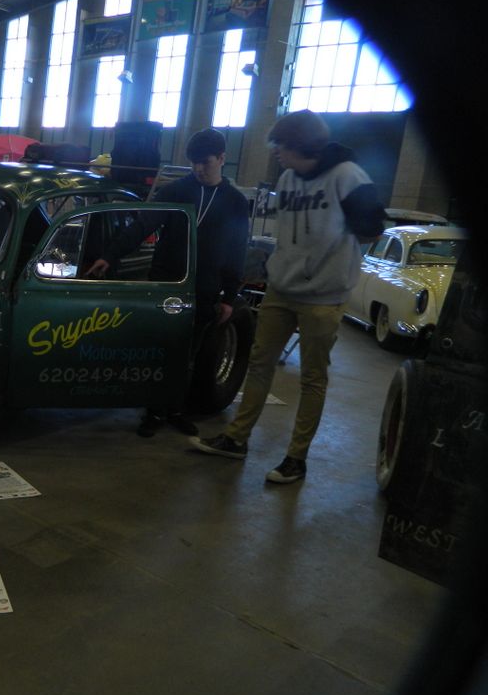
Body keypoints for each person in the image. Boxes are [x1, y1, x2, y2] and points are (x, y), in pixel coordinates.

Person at [189, 110, 386, 483]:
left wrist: (330, 260)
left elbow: (372, 229)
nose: (275, 152)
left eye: (280, 145)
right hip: (282, 289)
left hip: (324, 297)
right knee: (259, 364)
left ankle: (296, 458)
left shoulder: (347, 176)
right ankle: (236, 439)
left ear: (300, 144)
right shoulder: (287, 179)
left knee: (312, 378)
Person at [89, 127, 249, 437]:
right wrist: (110, 255)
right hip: (168, 284)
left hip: (205, 288)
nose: (199, 169)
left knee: (189, 354)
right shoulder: (175, 192)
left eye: (205, 162)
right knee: (160, 348)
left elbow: (236, 250)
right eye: (194, 163)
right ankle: (153, 411)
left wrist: (230, 296)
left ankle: (175, 409)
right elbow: (142, 225)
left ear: (221, 158)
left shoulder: (235, 202)